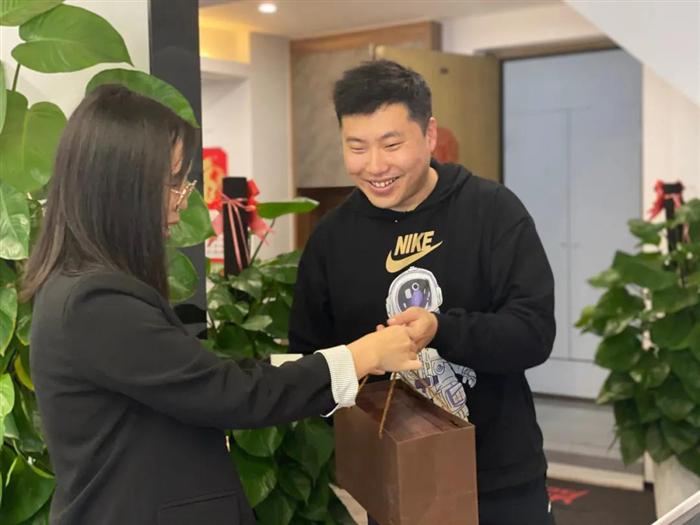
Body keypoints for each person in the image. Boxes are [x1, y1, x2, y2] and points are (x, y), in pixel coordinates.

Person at [23, 84, 421, 525]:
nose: (181, 203)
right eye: (173, 182)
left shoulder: (84, 287)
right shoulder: (95, 302)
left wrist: (342, 359)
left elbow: (199, 377)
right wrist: (359, 356)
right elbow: (225, 393)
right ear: (123, 187)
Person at [289, 60, 556, 525]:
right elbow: (310, 356)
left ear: (429, 134)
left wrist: (440, 329)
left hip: (499, 480)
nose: (375, 166)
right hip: (395, 480)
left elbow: (534, 333)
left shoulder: (492, 211)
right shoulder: (331, 238)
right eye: (356, 147)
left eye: (392, 144)